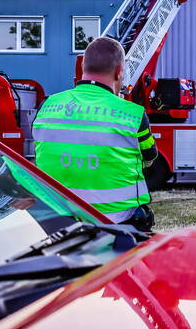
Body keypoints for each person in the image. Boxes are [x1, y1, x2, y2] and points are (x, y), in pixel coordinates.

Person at [32, 37, 158, 230]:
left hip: (55, 223)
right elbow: (149, 158)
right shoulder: (133, 114)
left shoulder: (46, 106)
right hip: (117, 223)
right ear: (118, 71)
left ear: (83, 66)